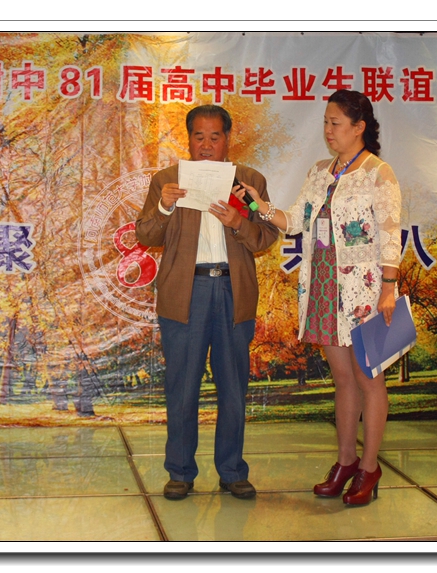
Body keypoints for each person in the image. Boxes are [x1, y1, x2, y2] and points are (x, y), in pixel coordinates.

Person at [234, 90, 401, 506]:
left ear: (359, 127)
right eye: (325, 122)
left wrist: (388, 288)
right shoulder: (320, 172)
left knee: (369, 379)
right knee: (343, 379)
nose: (328, 130)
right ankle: (345, 462)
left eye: (336, 123)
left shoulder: (378, 173)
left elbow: (390, 233)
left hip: (364, 290)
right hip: (324, 286)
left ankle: (369, 467)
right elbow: (294, 221)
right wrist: (259, 205)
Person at [135, 105, 279, 501]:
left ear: (228, 139)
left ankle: (232, 471)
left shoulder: (248, 182)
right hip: (186, 292)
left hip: (233, 291)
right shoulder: (168, 181)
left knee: (233, 386)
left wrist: (239, 222)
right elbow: (145, 235)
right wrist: (164, 207)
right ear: (189, 139)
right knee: (182, 387)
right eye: (199, 136)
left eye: (215, 137)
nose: (206, 145)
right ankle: (180, 471)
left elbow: (267, 236)